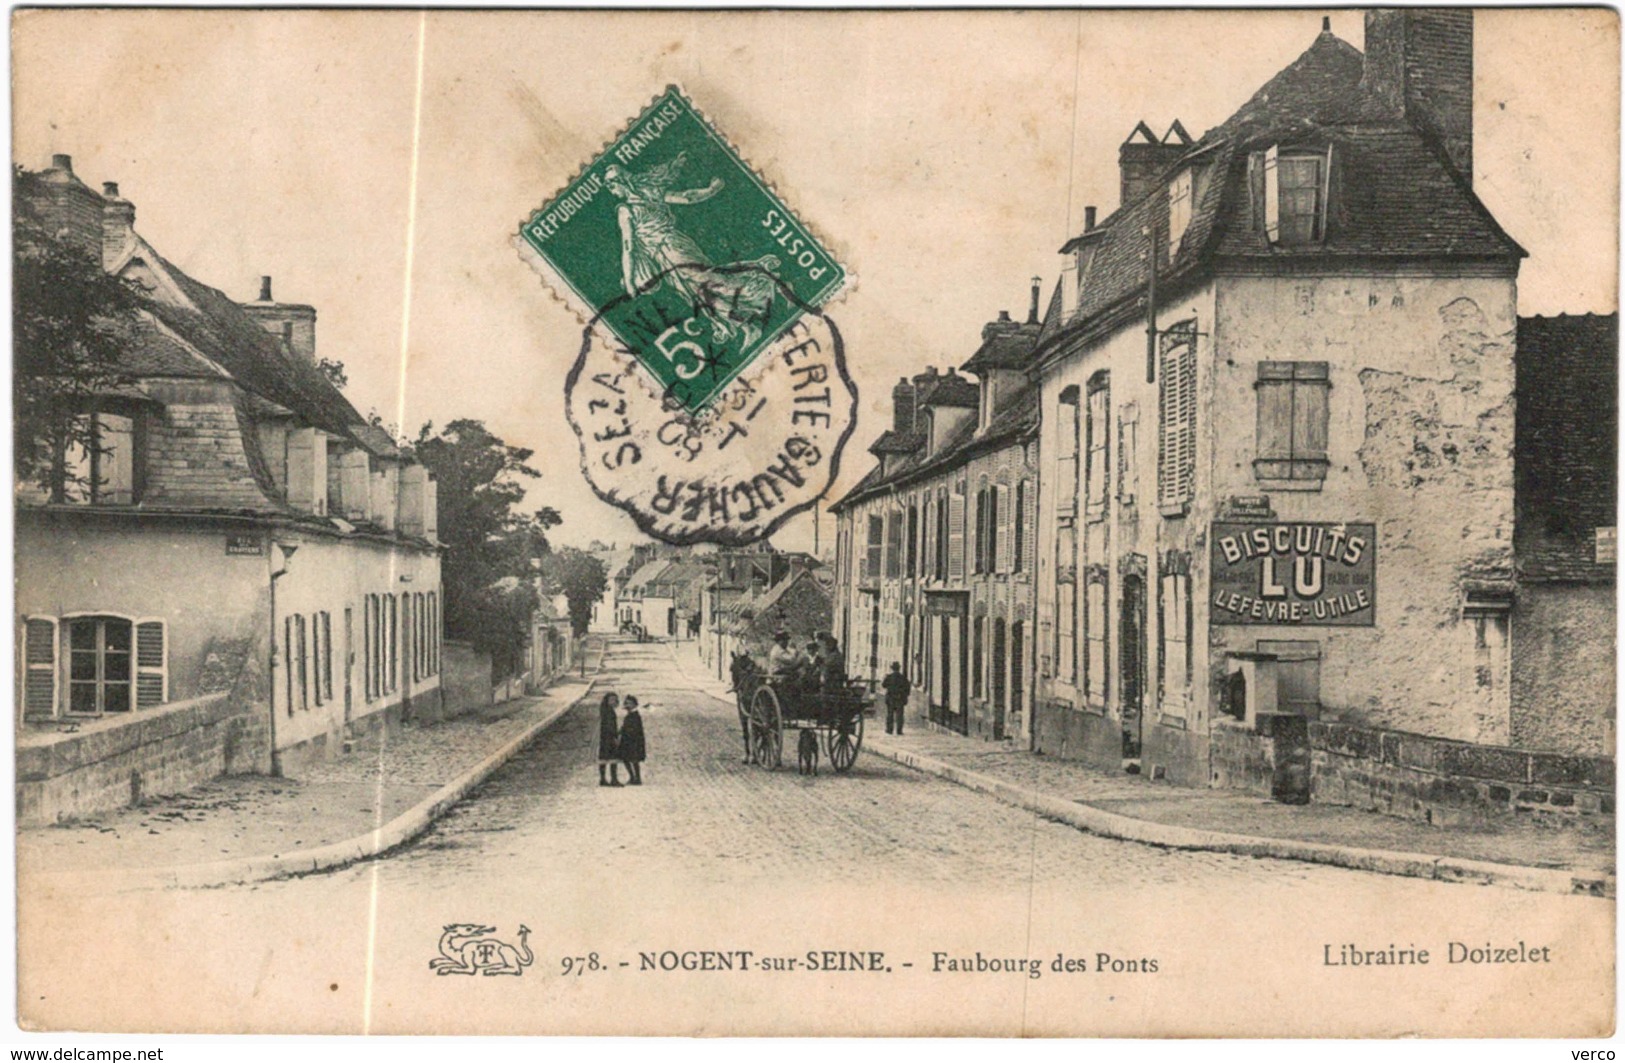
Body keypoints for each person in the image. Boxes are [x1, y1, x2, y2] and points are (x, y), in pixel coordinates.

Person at [619, 695, 646, 786]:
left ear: (634, 704)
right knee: (626, 758)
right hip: (627, 740)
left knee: (634, 759)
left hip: (633, 740)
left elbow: (635, 729)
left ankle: (637, 778)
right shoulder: (630, 714)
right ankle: (633, 777)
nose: (627, 705)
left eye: (629, 703)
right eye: (626, 703)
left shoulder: (635, 716)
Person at [597, 692, 622, 786]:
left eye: (615, 700)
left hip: (604, 737)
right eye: (611, 700)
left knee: (604, 758)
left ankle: (603, 779)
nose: (613, 702)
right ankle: (613, 779)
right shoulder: (608, 712)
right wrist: (615, 736)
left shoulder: (605, 710)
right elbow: (610, 726)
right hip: (609, 737)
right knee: (613, 758)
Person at [881, 661, 911, 736]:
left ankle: (889, 730)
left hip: (890, 698)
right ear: (899, 668)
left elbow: (883, 685)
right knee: (900, 715)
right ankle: (899, 730)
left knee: (890, 714)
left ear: (892, 668)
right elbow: (907, 688)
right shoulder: (903, 677)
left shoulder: (889, 677)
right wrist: (905, 696)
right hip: (899, 698)